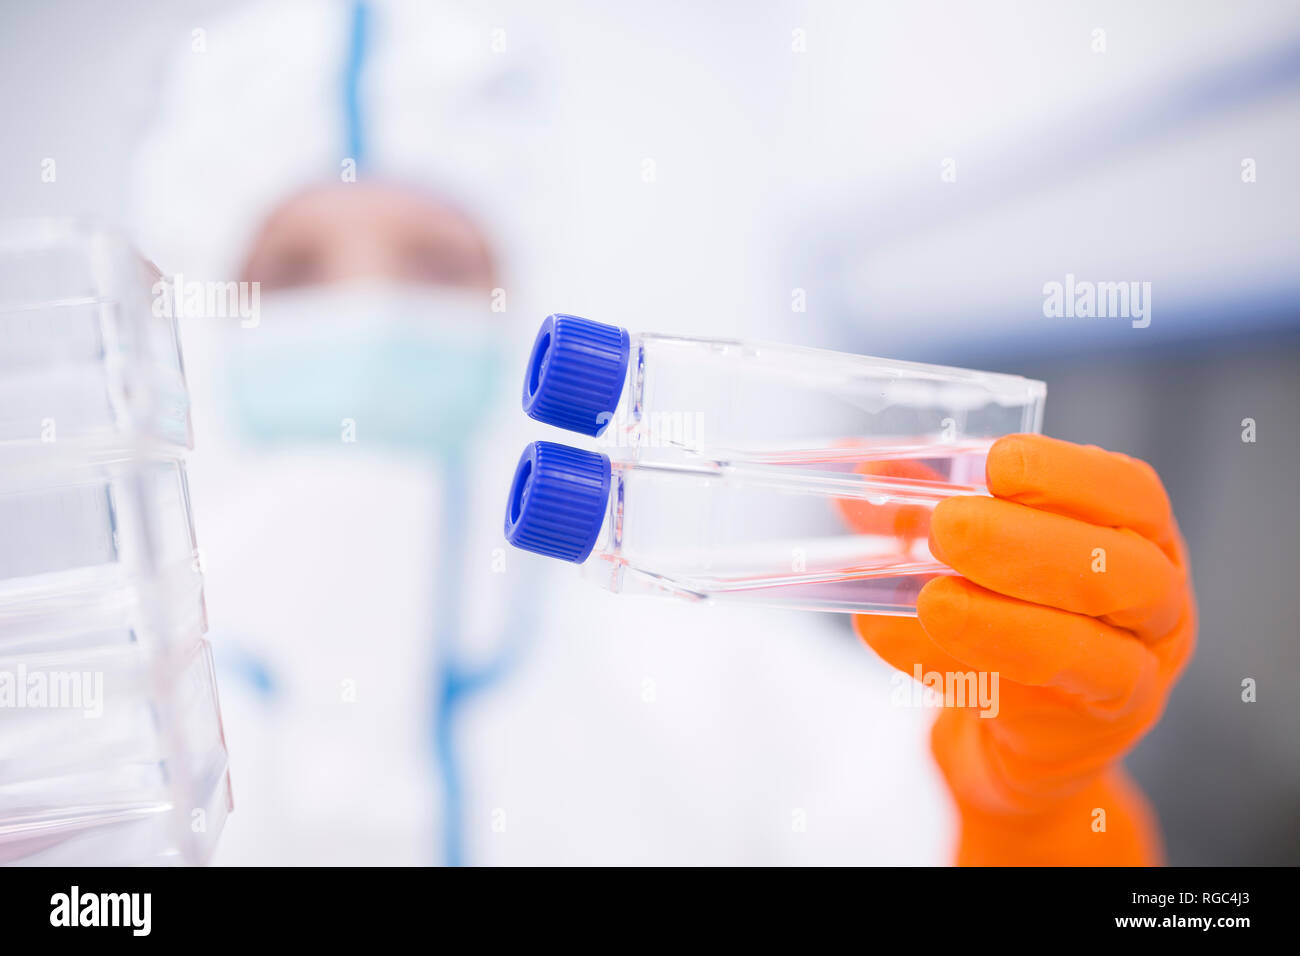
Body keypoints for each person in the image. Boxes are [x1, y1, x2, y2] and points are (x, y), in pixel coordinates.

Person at [131, 0, 1193, 865]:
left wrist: (1029, 807)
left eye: (437, 263)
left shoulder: (712, 671)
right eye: (295, 271)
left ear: (521, 292)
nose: (369, 311)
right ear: (200, 302)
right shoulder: (107, 690)